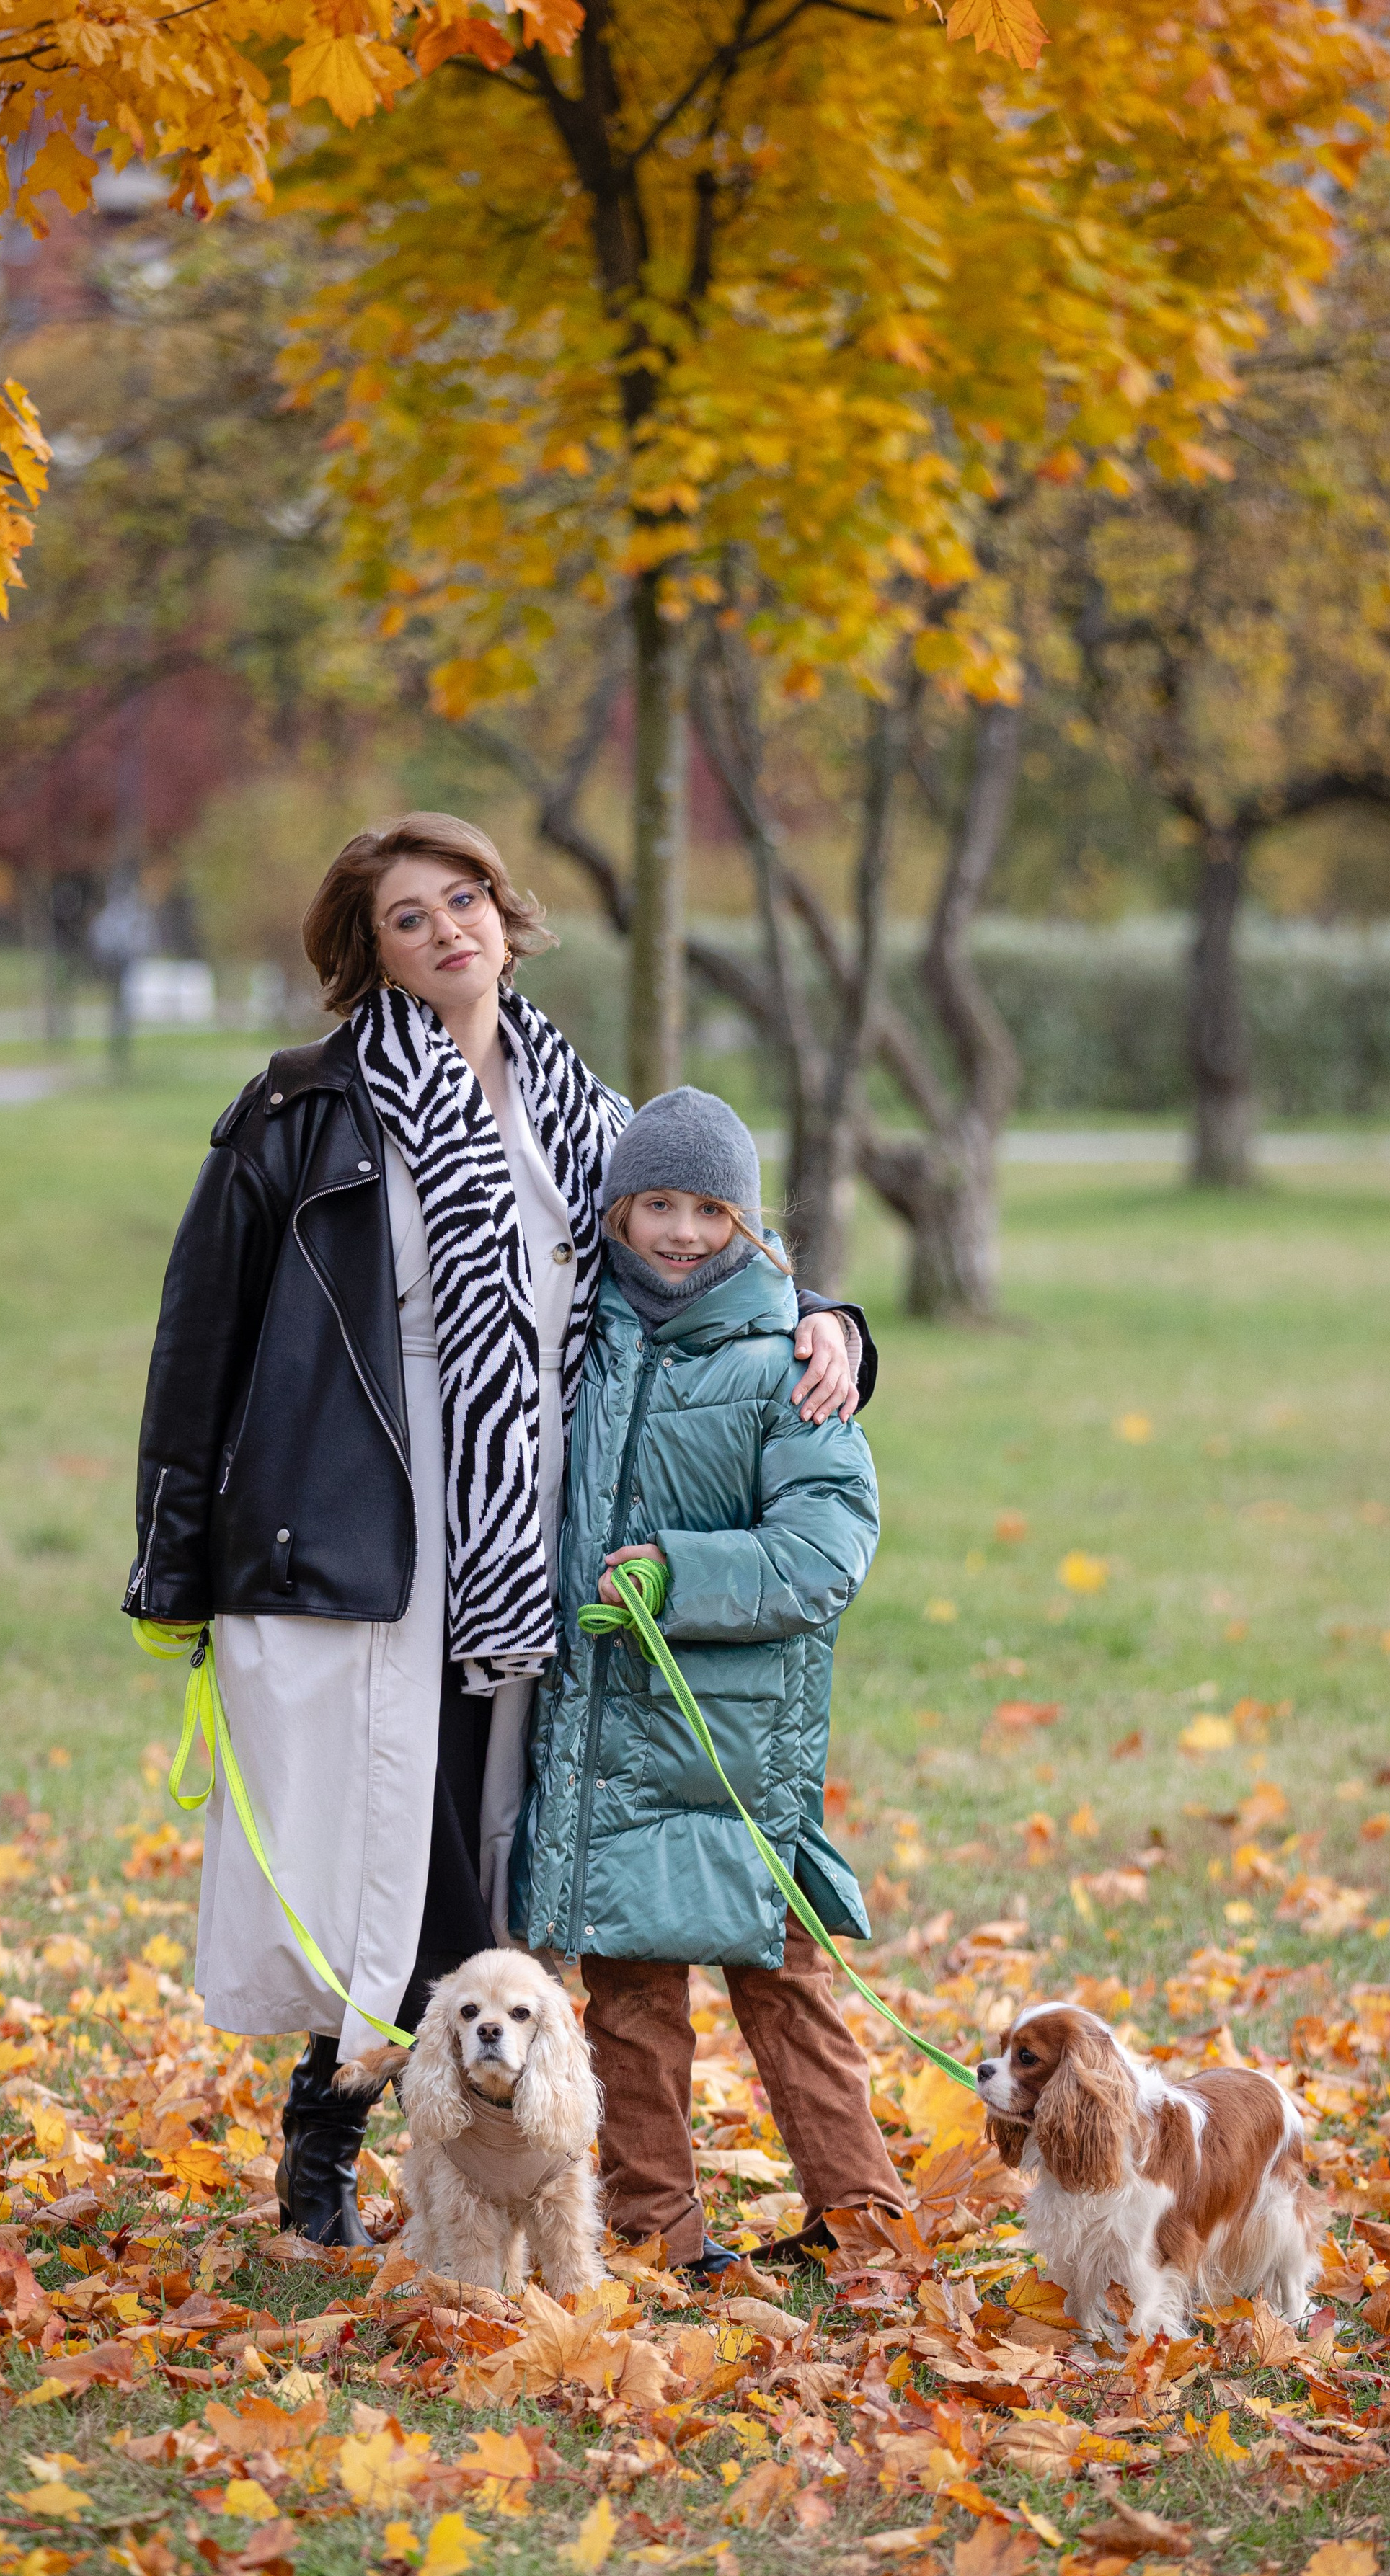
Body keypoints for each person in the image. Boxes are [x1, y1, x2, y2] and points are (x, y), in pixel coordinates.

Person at [122, 815, 873, 2247]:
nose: (446, 929)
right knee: (382, 1857)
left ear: (505, 917)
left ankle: (511, 2189)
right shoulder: (302, 1111)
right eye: (408, 916)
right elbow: (198, 1343)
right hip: (362, 1521)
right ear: (372, 952)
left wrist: (831, 1320)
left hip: (531, 1524)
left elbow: (700, 1244)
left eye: (463, 898)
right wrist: (173, 1561)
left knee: (484, 1857)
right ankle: (322, 2159)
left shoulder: (578, 1111)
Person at [513, 1086, 906, 2275]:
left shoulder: (788, 1354)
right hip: (614, 1742)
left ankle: (867, 2227)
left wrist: (679, 1572)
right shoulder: (585, 1332)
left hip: (738, 1744)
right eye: (659, 1206)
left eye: (709, 1209)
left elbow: (826, 1547)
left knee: (785, 1988)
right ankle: (654, 2233)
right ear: (620, 1210)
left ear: (747, 1219)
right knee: (629, 2002)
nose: (682, 1233)